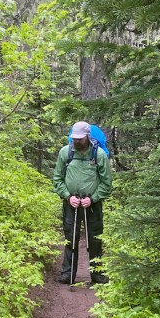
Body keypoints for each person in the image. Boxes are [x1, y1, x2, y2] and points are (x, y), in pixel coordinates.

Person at [53, 121, 113, 284]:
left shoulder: (99, 154)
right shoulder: (65, 152)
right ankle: (67, 274)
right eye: (74, 138)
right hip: (70, 202)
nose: (77, 141)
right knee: (70, 238)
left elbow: (107, 183)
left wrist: (93, 198)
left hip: (92, 204)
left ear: (87, 136)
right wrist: (67, 196)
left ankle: (97, 275)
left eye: (80, 138)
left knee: (95, 239)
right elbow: (57, 178)